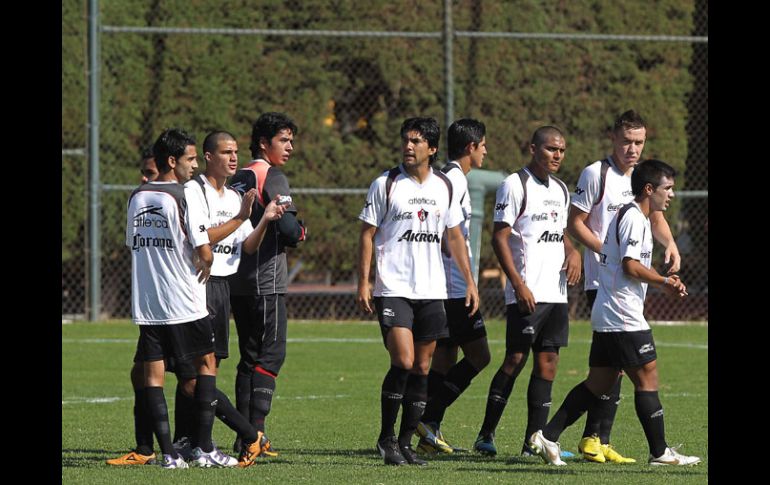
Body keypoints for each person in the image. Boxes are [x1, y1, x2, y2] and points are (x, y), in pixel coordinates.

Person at [528, 159, 701, 467]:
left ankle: (547, 436)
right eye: (668, 188)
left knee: (599, 382)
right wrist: (664, 282)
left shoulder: (634, 216)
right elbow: (630, 266)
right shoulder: (634, 218)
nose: (671, 194)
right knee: (648, 377)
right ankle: (660, 452)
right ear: (649, 189)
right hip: (622, 315)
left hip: (610, 312)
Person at [357, 117, 479, 466]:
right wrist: (364, 281)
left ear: (433, 148)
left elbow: (454, 235)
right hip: (393, 287)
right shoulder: (386, 183)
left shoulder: (444, 186)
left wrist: (469, 281)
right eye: (405, 140)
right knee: (404, 361)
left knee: (424, 368)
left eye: (416, 141)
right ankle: (386, 439)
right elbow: (367, 233)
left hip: (432, 289)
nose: (408, 147)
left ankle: (408, 443)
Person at [567, 110, 681, 463]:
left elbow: (656, 218)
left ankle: (595, 438)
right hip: (604, 280)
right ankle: (593, 437)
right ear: (613, 140)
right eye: (627, 142)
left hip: (627, 281)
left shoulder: (644, 178)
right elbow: (575, 223)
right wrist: (609, 252)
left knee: (613, 367)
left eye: (639, 142)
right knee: (617, 366)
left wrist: (671, 245)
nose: (633, 149)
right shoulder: (596, 173)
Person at [181, 130, 289, 466]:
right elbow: (202, 237)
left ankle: (194, 442)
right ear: (208, 156)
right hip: (197, 285)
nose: (233, 158)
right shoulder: (194, 191)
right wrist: (242, 217)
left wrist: (265, 220)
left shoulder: (232, 196)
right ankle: (241, 435)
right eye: (226, 152)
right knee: (197, 371)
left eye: (236, 152)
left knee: (203, 370)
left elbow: (246, 246)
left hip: (222, 288)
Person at [473, 126, 581, 458]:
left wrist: (573, 250)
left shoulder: (562, 189)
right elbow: (499, 237)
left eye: (561, 150)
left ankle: (532, 442)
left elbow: (559, 232)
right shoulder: (514, 184)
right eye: (551, 149)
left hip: (556, 292)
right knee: (516, 359)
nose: (557, 155)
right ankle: (485, 435)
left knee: (548, 363)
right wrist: (518, 285)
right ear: (533, 148)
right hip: (528, 291)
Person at [124, 128, 222, 469]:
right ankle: (206, 449)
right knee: (206, 364)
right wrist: (207, 263)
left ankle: (167, 454)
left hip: (148, 303)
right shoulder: (185, 195)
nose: (195, 166)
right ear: (172, 161)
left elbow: (134, 245)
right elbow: (202, 249)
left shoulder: (137, 195)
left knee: (152, 375)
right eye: (190, 159)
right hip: (183, 299)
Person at [228, 112, 307, 457]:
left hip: (235, 279)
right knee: (272, 354)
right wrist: (302, 230)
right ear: (264, 143)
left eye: (291, 140)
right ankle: (256, 432)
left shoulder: (237, 175)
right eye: (283, 140)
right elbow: (289, 231)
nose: (289, 147)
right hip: (266, 281)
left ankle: (244, 436)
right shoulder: (271, 175)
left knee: (248, 359)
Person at [416, 118, 491, 454]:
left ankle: (427, 430)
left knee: (445, 359)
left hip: (445, 286)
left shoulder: (446, 177)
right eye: (483, 145)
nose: (486, 151)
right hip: (454, 288)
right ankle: (427, 418)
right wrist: (469, 281)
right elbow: (451, 236)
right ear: (470, 147)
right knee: (480, 355)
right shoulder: (455, 181)